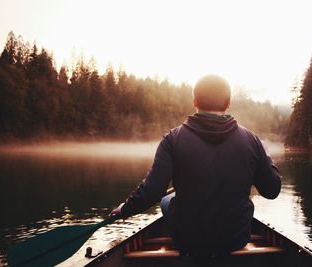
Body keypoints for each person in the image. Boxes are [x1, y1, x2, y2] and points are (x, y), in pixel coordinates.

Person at [110, 74, 281, 256]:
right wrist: (266, 155)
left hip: (188, 240)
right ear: (229, 103)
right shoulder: (252, 141)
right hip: (236, 238)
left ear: (194, 102)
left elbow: (152, 191)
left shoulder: (172, 140)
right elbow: (272, 190)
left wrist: (125, 208)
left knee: (167, 199)